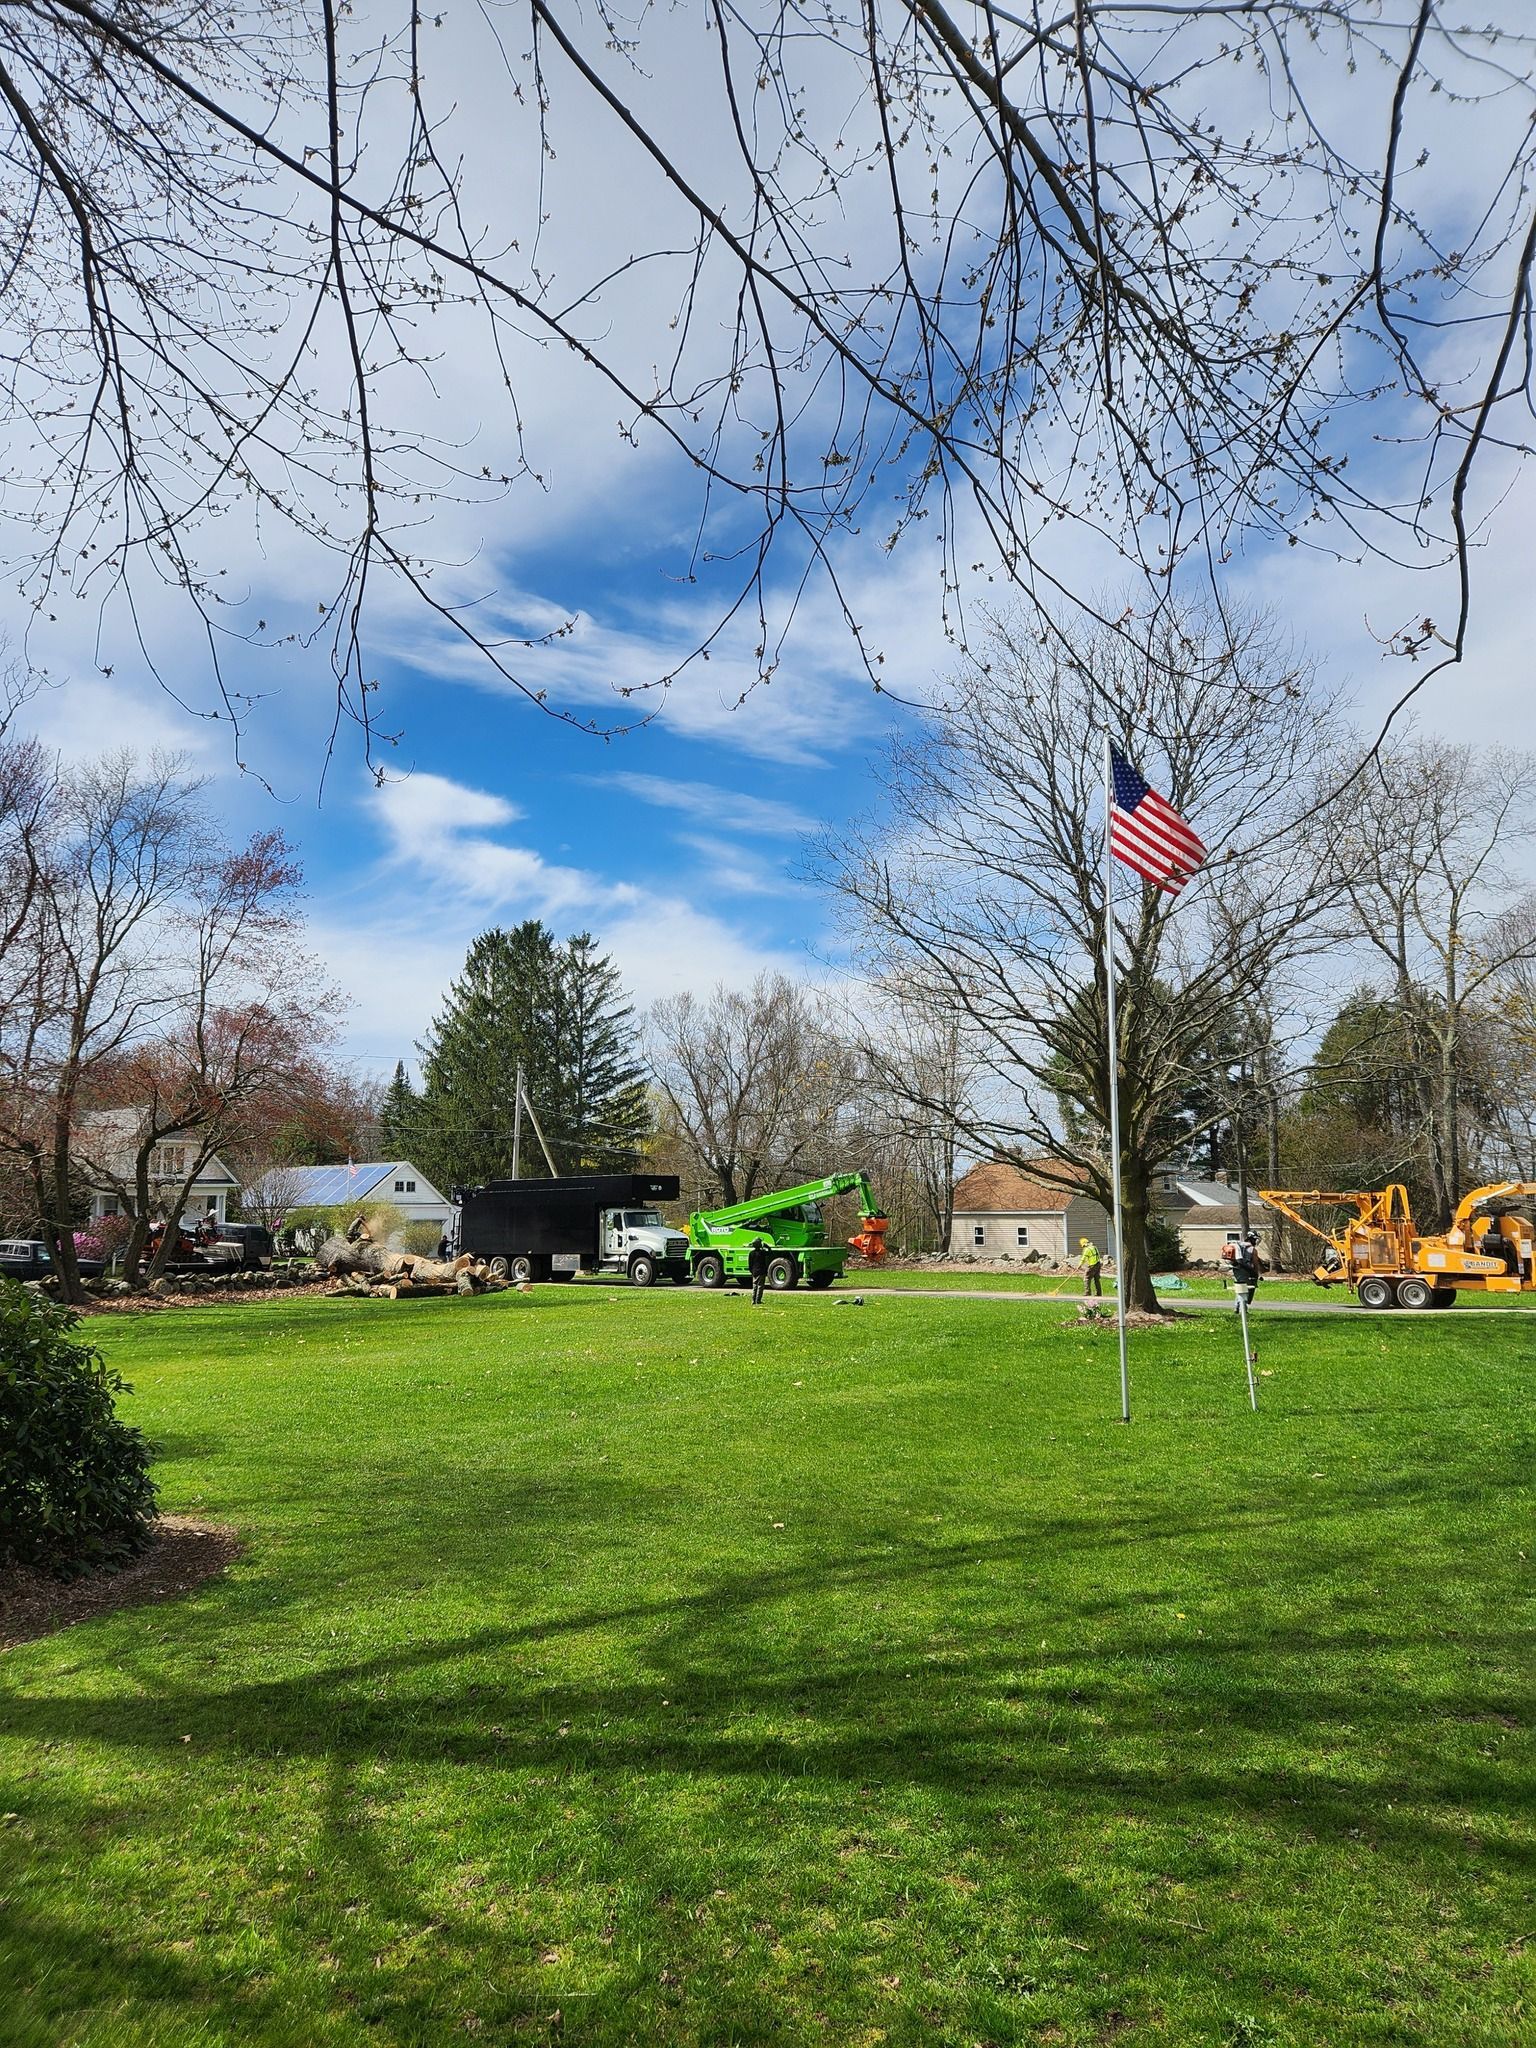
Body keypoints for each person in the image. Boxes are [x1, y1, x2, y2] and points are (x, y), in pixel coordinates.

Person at [1230, 1230, 1261, 1309]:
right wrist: (1256, 1273)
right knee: (1245, 1290)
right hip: (1245, 1270)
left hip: (1236, 1269)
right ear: (1253, 1239)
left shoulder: (1240, 1245)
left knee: (1240, 1287)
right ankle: (1242, 1309)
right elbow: (1255, 1263)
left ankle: (1237, 1307)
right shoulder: (1252, 1249)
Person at [747, 1235, 770, 1306]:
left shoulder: (751, 1253)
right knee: (760, 1286)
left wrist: (752, 1271)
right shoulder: (762, 1252)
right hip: (761, 1271)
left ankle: (753, 1300)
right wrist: (767, 1247)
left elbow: (750, 1264)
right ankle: (758, 1300)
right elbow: (769, 1252)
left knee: (754, 1286)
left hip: (754, 1272)